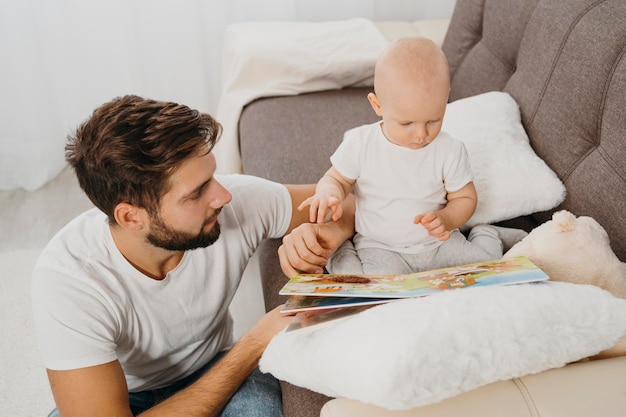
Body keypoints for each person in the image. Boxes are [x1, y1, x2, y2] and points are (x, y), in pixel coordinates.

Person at [31, 95, 354, 417]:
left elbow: (353, 202)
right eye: (196, 192)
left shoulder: (238, 202)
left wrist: (332, 230)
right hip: (121, 392)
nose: (223, 196)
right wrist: (255, 343)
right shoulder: (69, 281)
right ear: (131, 217)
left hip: (216, 366)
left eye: (212, 176)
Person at [299, 37, 525, 275]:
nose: (421, 134)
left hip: (439, 244)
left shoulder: (450, 149)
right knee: (356, 281)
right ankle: (343, 250)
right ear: (377, 105)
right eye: (406, 122)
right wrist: (328, 193)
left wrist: (446, 219)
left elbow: (465, 198)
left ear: (445, 99)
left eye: (433, 120)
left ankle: (486, 233)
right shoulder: (361, 144)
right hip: (380, 247)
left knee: (487, 265)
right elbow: (337, 179)